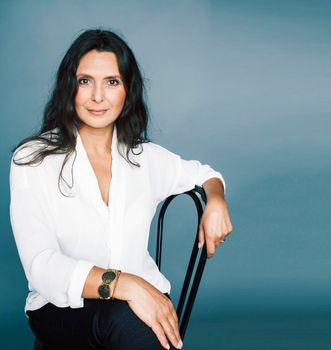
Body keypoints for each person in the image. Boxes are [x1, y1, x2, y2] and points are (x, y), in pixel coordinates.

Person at [9, 28, 233, 350]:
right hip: (63, 308)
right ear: (68, 88)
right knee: (124, 316)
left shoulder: (144, 158)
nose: (98, 96)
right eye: (85, 81)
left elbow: (206, 175)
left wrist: (216, 200)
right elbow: (42, 267)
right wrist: (127, 285)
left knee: (133, 317)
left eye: (112, 82)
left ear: (127, 90)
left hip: (141, 302)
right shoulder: (33, 158)